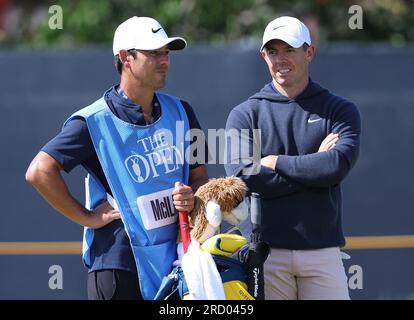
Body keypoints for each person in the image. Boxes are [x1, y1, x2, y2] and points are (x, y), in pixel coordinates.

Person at [25, 16, 208, 300]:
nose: (164, 61)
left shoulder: (183, 111)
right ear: (125, 57)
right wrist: (86, 217)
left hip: (175, 259)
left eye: (166, 53)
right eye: (153, 53)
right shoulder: (92, 120)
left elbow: (199, 179)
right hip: (117, 262)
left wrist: (192, 196)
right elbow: (39, 171)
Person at [225, 16, 361, 300]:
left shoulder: (339, 110)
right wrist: (314, 167)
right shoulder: (244, 114)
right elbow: (243, 178)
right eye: (272, 51)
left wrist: (275, 162)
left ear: (309, 52)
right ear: (264, 56)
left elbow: (335, 167)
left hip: (322, 251)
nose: (280, 58)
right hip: (265, 254)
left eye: (289, 49)